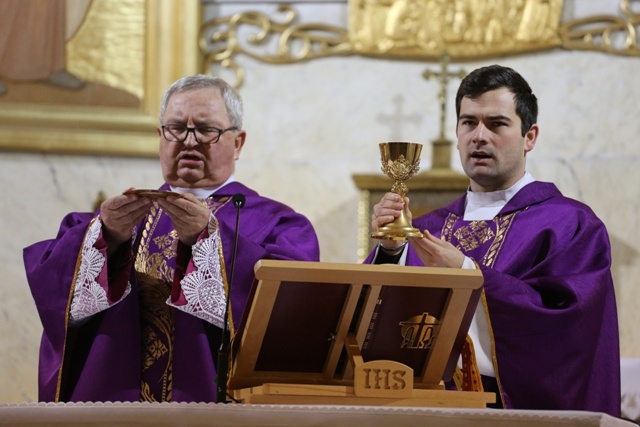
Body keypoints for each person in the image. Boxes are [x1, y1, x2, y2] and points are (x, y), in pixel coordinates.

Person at [23, 74, 320, 403]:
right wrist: (108, 239)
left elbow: (292, 317)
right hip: (114, 410)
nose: (189, 141)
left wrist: (208, 241)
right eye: (176, 128)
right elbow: (55, 294)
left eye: (206, 129)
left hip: (215, 411)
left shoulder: (278, 225)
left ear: (238, 142)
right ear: (160, 136)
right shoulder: (120, 218)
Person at [367, 64, 620, 416]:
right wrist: (390, 251)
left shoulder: (571, 225)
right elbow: (370, 323)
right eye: (468, 122)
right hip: (419, 409)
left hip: (511, 413)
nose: (479, 136)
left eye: (497, 124)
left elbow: (568, 329)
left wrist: (469, 274)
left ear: (529, 136)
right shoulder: (427, 228)